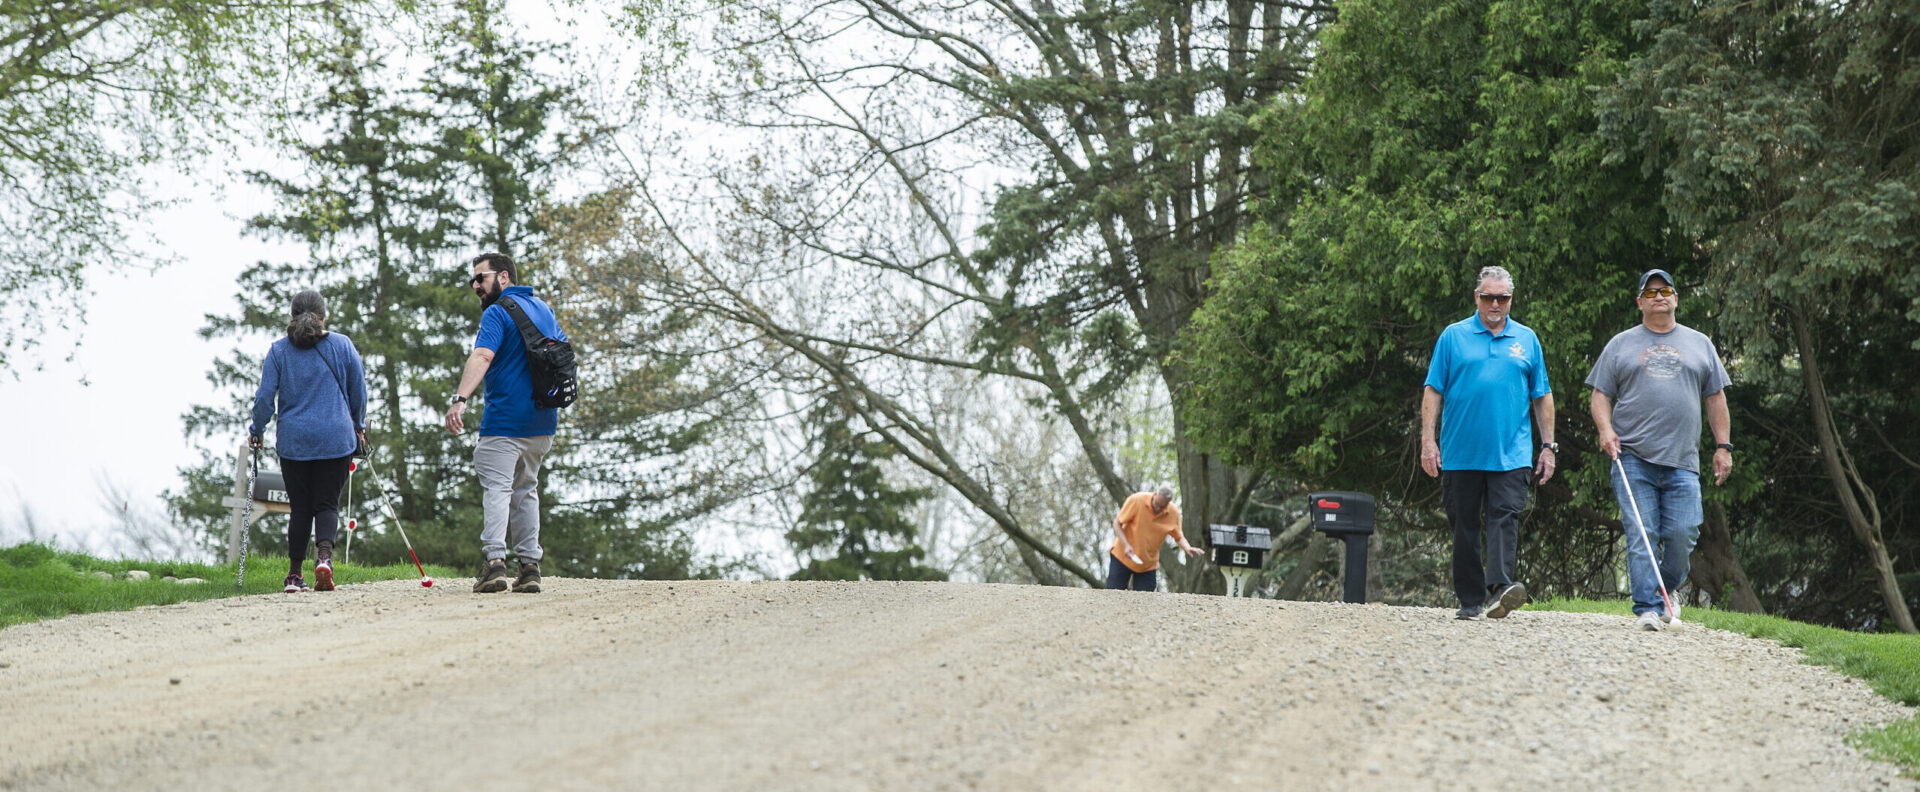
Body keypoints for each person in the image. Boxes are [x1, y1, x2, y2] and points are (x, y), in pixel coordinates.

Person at [1586, 269, 1732, 631]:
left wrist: (1723, 446)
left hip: (1683, 462)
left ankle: (1665, 591)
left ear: (1676, 298)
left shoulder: (1700, 344)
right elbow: (1600, 394)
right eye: (1650, 293)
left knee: (1684, 534)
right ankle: (1648, 609)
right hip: (1632, 456)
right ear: (1640, 303)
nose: (1659, 297)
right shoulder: (1621, 344)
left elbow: (1715, 397)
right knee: (1642, 532)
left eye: (1665, 290)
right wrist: (1606, 431)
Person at [1420, 265, 1556, 620]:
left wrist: (1548, 446)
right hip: (1461, 452)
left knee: (1505, 517)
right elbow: (1433, 389)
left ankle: (1500, 590)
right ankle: (1470, 599)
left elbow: (1542, 395)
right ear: (1476, 298)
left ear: (1511, 299)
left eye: (1503, 297)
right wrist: (1427, 441)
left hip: (1512, 452)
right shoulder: (1453, 337)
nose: (1495, 303)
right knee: (1463, 524)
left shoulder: (1527, 339)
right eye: (1488, 296)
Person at [444, 252, 569, 594]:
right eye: (473, 280)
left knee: (498, 489)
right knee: (526, 490)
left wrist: (460, 400)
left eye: (480, 278)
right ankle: (530, 567)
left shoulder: (497, 313)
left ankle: (495, 563)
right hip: (543, 422)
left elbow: (483, 355)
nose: (475, 286)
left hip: (504, 423)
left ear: (502, 277)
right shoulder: (544, 309)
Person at [248, 290, 368, 594]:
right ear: (324, 316)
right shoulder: (342, 345)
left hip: (295, 441)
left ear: (292, 316)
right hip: (336, 437)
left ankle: (293, 575)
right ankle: (324, 558)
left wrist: (257, 429)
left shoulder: (278, 351)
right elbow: (359, 390)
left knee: (300, 508)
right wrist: (360, 425)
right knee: (327, 503)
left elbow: (264, 398)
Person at [1107, 485, 1204, 591]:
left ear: (1168, 504)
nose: (1158, 508)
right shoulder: (1137, 500)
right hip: (1122, 556)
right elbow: (1117, 523)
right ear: (1155, 495)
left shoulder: (1173, 513)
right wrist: (1126, 545)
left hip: (1147, 564)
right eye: (1157, 504)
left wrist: (1187, 547)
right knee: (1114, 594)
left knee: (1146, 602)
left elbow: (1179, 537)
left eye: (1162, 507)